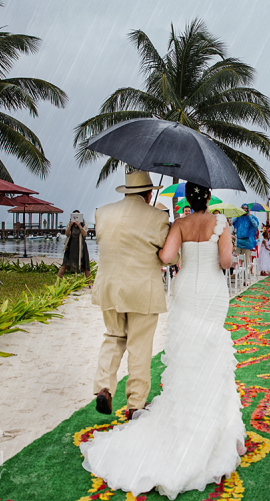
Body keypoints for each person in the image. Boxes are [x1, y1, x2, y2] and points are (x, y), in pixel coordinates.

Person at [80, 181, 245, 499]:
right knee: (209, 350)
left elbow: (167, 257)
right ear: (209, 197)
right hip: (211, 291)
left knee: (177, 350)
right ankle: (208, 420)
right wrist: (223, 249)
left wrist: (181, 248)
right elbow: (226, 263)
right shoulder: (221, 223)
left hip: (177, 290)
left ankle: (160, 402)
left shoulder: (178, 223)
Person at [89, 170, 169, 421]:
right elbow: (170, 256)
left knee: (113, 337)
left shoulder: (102, 212)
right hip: (142, 290)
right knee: (139, 345)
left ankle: (104, 387)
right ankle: (135, 403)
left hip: (110, 287)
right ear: (148, 193)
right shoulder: (157, 217)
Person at [58, 210, 91, 279]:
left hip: (81, 246)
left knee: (86, 266)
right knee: (65, 265)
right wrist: (70, 225)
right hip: (71, 246)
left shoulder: (84, 224)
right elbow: (67, 234)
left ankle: (90, 283)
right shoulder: (70, 224)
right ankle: (58, 281)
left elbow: (84, 234)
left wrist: (79, 225)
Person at [232, 204, 259, 281]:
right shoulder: (239, 217)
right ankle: (235, 274)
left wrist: (249, 215)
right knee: (236, 259)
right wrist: (238, 214)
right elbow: (232, 222)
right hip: (239, 241)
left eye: (246, 209)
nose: (244, 210)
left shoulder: (251, 217)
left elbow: (255, 225)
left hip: (247, 241)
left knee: (246, 261)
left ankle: (246, 278)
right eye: (243, 208)